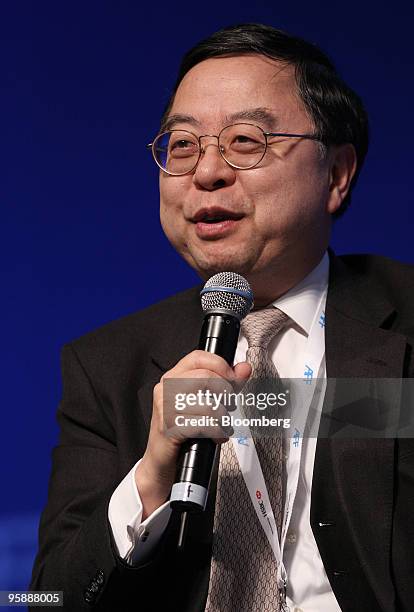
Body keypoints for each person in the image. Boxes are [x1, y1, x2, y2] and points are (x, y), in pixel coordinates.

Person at [30, 23, 414, 611]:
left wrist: (321, 406)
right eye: (182, 146)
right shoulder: (106, 365)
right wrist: (150, 479)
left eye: (245, 140)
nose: (206, 171)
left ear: (336, 174)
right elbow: (51, 597)